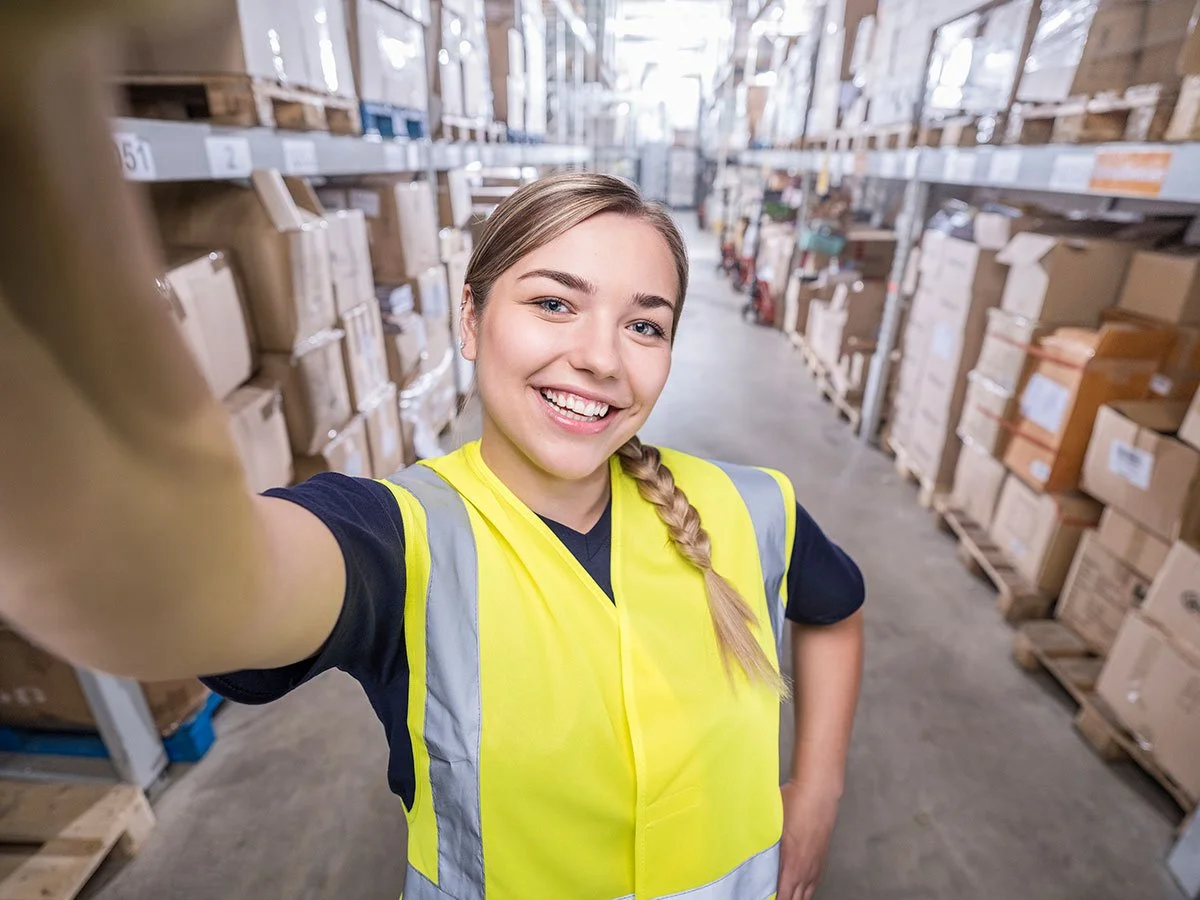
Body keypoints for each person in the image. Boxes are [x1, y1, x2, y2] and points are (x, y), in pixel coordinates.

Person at [0, 19, 864, 900]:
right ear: (469, 318)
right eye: (555, 304)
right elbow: (168, 582)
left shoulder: (747, 505)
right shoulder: (399, 541)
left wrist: (819, 786)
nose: (603, 356)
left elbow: (836, 611)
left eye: (644, 324)